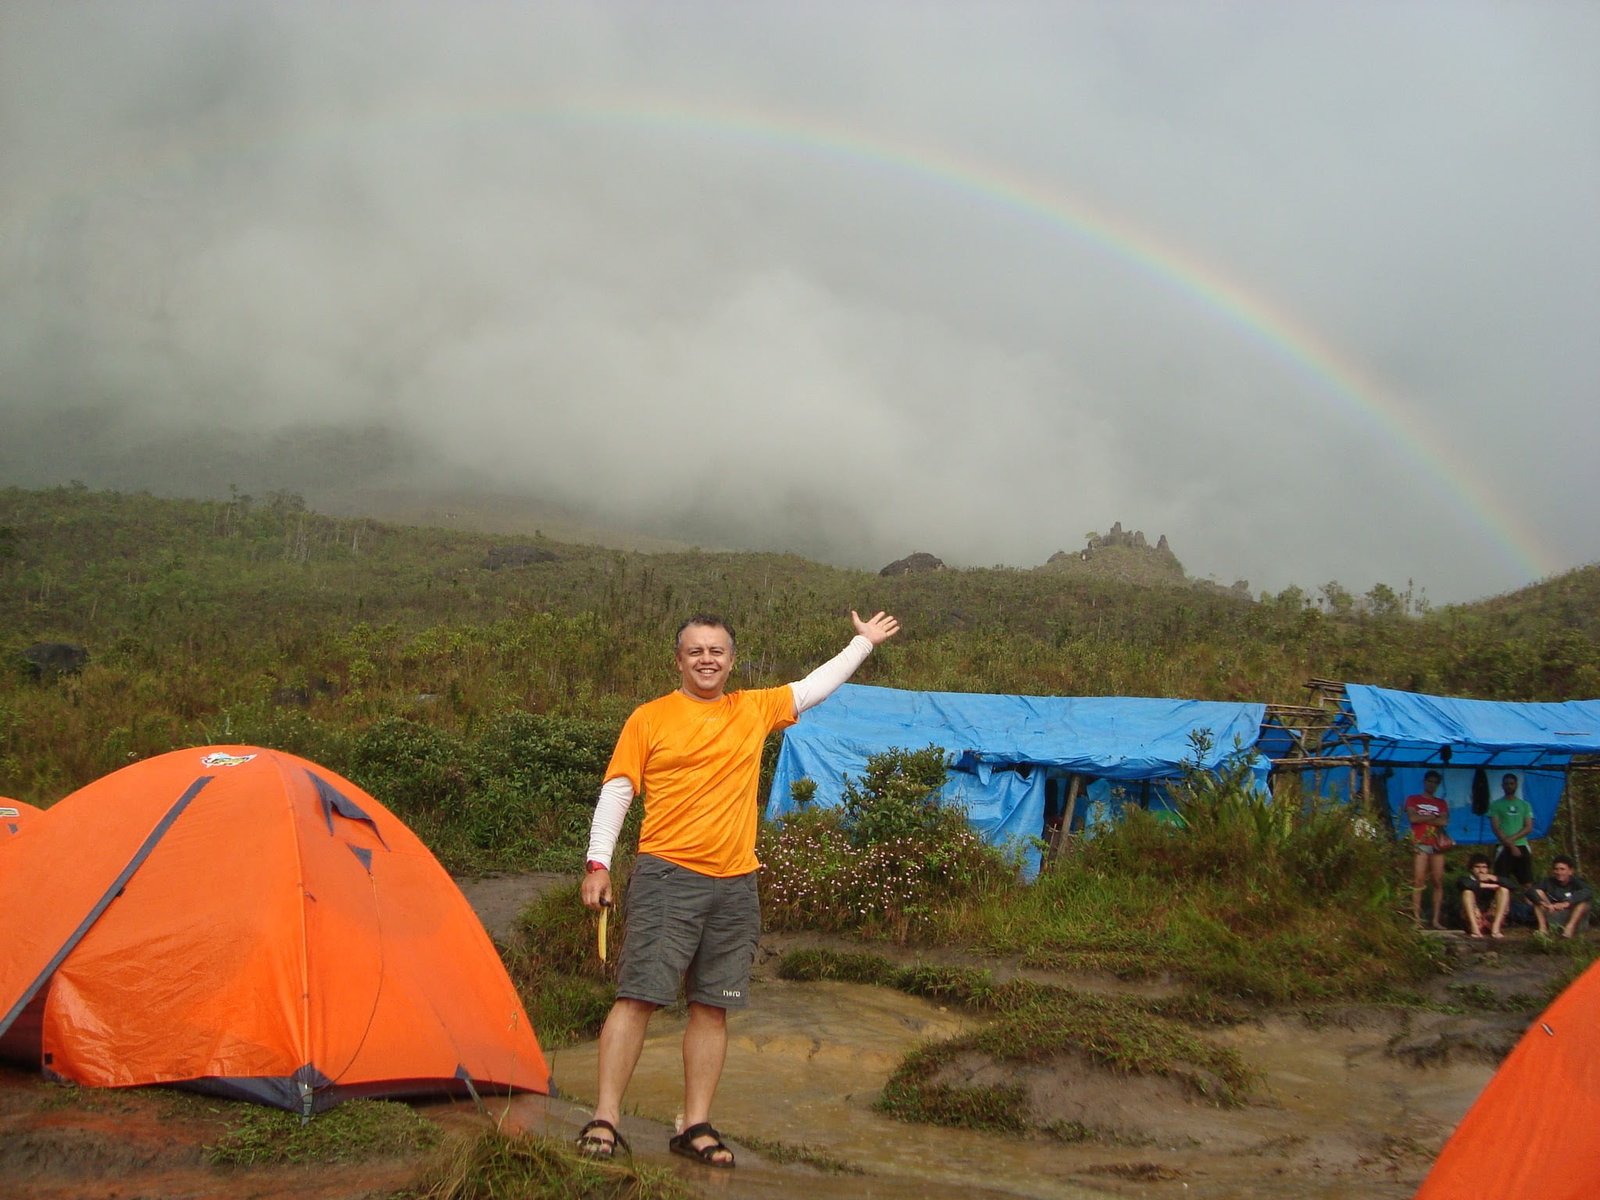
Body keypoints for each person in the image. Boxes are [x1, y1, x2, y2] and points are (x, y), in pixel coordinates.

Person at [574, 609, 901, 1167]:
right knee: (637, 996)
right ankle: (605, 1118)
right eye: (696, 651)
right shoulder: (649, 718)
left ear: (731, 660)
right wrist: (598, 863)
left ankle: (695, 1125)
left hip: (735, 884)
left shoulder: (753, 709)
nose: (707, 659)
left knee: (713, 1007)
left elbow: (812, 687)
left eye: (717, 651)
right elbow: (618, 791)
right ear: (678, 660)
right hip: (666, 874)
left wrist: (861, 644)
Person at [1404, 770, 1451, 928]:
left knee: (1437, 881)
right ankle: (1416, 918)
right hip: (1420, 841)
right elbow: (1412, 818)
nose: (1431, 785)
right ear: (1424, 782)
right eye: (1429, 781)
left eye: (1434, 782)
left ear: (1437, 785)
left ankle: (1436, 919)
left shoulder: (1441, 802)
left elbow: (1444, 821)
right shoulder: (1413, 799)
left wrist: (1425, 818)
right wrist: (1434, 819)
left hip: (1437, 843)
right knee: (1418, 880)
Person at [1488, 773, 1535, 890]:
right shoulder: (1495, 805)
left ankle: (1530, 907)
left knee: (1527, 883)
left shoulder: (1525, 805)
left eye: (1511, 784)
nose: (1509, 786)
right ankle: (1503, 907)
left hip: (1522, 846)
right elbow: (1496, 827)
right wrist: (1510, 845)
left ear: (1516, 785)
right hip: (1503, 847)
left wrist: (1512, 840)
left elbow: (1529, 827)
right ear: (1502, 786)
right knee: (1501, 883)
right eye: (1506, 784)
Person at [1534, 855, 1592, 938]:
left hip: (1572, 915)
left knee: (1584, 903)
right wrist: (1548, 904)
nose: (1559, 872)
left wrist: (1567, 903)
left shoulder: (1577, 882)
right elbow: (1531, 892)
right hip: (1553, 912)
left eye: (1562, 869)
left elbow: (1588, 891)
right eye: (1556, 869)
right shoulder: (1548, 881)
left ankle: (1569, 929)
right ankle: (1543, 929)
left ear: (1570, 871)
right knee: (1537, 896)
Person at [1457, 853, 1510, 940]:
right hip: (1473, 919)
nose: (1481, 870)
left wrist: (1494, 879)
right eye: (1477, 867)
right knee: (1467, 892)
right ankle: (1475, 929)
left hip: (1491, 918)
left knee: (1504, 890)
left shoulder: (1492, 879)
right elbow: (1466, 884)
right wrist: (1489, 886)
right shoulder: (1464, 879)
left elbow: (1513, 885)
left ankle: (1496, 928)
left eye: (1484, 867)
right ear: (1471, 868)